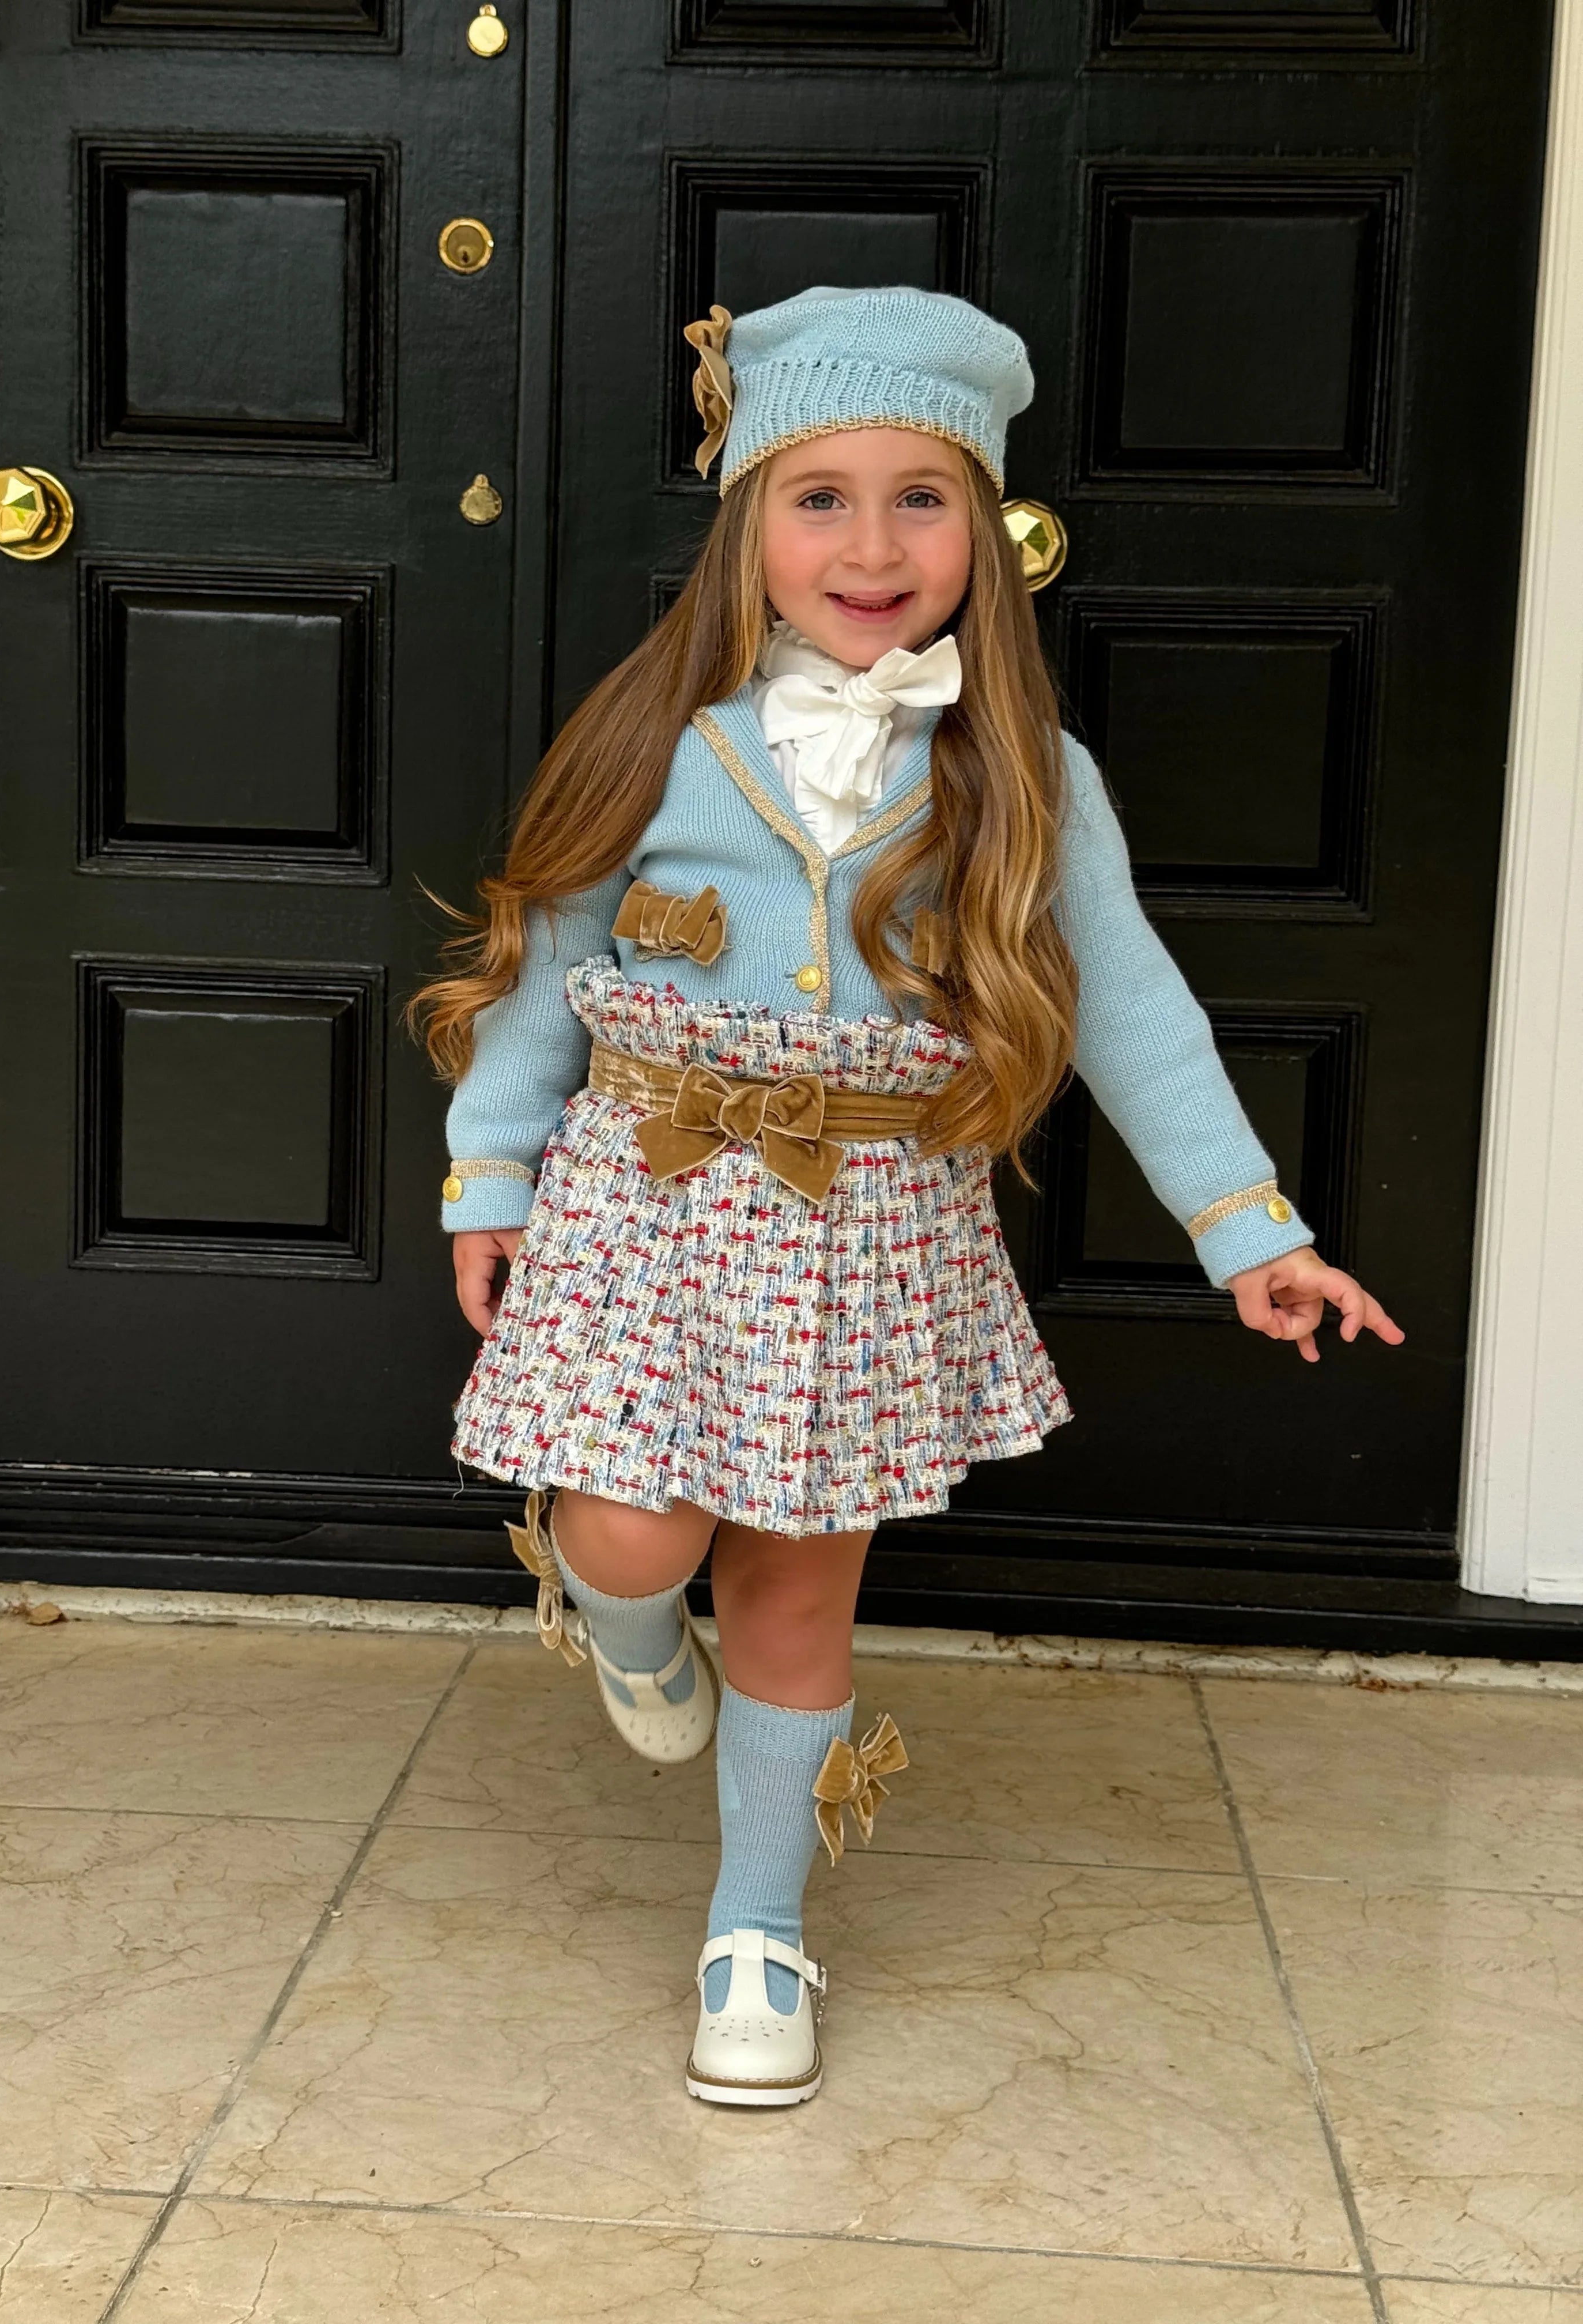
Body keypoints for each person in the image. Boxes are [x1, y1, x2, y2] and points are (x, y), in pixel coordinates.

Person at [408, 285, 1403, 2108]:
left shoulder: (1020, 774)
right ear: (750, 521)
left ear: (988, 530)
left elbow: (1132, 1007)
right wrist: (491, 1167)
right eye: (822, 496)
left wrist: (1252, 1230)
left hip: (871, 1228)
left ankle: (758, 1929)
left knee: (799, 1592)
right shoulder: (658, 747)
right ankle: (630, 1635)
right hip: (651, 1203)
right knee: (634, 1535)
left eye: (921, 498)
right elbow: (542, 978)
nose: (871, 547)